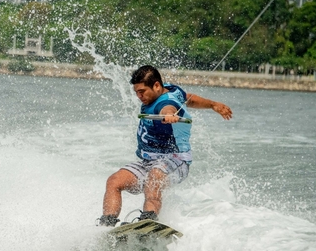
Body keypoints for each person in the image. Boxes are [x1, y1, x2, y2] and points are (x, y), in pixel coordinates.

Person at [98, 65, 232, 227]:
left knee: (154, 179)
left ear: (156, 85)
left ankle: (147, 222)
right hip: (148, 162)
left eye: (142, 91)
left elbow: (168, 107)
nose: (139, 96)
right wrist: (213, 104)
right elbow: (189, 98)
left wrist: (169, 115)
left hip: (176, 161)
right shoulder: (171, 89)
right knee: (114, 181)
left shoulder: (166, 102)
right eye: (136, 92)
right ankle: (107, 225)